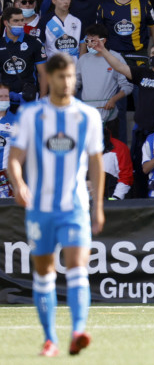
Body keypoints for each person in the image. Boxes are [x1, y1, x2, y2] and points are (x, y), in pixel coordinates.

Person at [6, 53, 104, 357]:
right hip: (41, 208)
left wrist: (97, 206)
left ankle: (78, 330)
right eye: (61, 77)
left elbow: (96, 163)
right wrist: (19, 184)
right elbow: (13, 159)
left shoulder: (87, 116)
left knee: (78, 267)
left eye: (71, 76)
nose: (67, 82)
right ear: (49, 77)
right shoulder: (31, 114)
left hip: (73, 206)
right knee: (45, 271)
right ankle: (50, 339)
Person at [92, 37, 154, 197]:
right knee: (140, 169)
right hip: (142, 132)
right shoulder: (143, 73)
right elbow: (120, 66)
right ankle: (141, 201)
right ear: (149, 57)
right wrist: (103, 51)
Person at [76, 23, 132, 127]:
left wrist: (114, 99)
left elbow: (127, 86)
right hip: (87, 117)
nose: (89, 44)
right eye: (87, 41)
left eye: (93, 41)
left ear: (103, 41)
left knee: (110, 143)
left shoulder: (116, 58)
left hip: (109, 117)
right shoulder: (83, 59)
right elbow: (75, 83)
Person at [0, 5, 48, 103]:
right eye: (16, 21)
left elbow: (43, 74)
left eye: (22, 20)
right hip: (5, 101)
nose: (20, 24)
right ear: (6, 22)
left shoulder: (34, 43)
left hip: (29, 100)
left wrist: (42, 100)